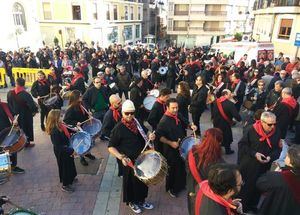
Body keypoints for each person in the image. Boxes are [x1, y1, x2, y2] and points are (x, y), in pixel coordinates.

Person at [108, 100, 155, 214]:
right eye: (127, 113)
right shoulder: (118, 128)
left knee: (143, 181)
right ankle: (132, 202)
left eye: (132, 113)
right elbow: (111, 147)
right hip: (129, 161)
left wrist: (150, 135)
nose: (130, 116)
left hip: (142, 158)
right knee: (131, 183)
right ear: (122, 113)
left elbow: (145, 131)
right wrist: (121, 157)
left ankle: (141, 200)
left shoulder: (137, 122)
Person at [238, 111, 281, 212]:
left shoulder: (276, 131)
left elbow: (277, 149)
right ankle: (242, 207)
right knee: (247, 187)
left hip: (264, 165)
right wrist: (255, 154)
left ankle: (253, 205)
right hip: (249, 165)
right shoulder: (250, 130)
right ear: (262, 122)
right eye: (270, 124)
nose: (272, 127)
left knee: (259, 186)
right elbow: (242, 145)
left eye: (274, 124)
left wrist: (271, 157)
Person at [156, 98, 197, 197]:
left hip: (181, 147)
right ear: (167, 108)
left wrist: (191, 126)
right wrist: (170, 143)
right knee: (173, 170)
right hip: (170, 150)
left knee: (182, 167)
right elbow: (159, 137)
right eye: (173, 108)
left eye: (176, 107)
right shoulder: (163, 121)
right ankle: (172, 189)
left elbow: (185, 121)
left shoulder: (177, 114)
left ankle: (181, 184)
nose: (175, 110)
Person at [186, 128, 224, 215]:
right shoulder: (219, 162)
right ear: (217, 143)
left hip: (192, 189)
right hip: (207, 194)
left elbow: (188, 171)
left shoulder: (192, 152)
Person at [256, 145, 300, 215]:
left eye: (287, 156)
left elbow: (260, 183)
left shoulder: (279, 177)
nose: (285, 157)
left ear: (291, 161)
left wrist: (276, 172)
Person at [46, 109, 77, 193]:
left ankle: (71, 177)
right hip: (62, 151)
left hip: (67, 148)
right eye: (60, 116)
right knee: (65, 167)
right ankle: (65, 185)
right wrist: (71, 151)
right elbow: (59, 146)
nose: (62, 117)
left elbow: (69, 129)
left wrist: (76, 127)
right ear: (55, 118)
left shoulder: (61, 125)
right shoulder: (55, 131)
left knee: (70, 163)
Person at [63, 90, 96, 166]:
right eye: (80, 96)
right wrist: (75, 123)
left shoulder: (81, 104)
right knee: (81, 144)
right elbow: (66, 120)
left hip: (84, 127)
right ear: (75, 98)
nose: (82, 97)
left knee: (87, 142)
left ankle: (87, 153)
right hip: (78, 129)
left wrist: (88, 115)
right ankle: (82, 158)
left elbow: (83, 115)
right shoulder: (71, 109)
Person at [7, 77, 38, 147]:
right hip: (25, 115)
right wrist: (34, 111)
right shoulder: (26, 94)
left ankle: (18, 143)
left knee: (17, 129)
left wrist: (13, 115)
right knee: (26, 128)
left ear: (16, 83)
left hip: (15, 115)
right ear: (23, 84)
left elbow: (9, 104)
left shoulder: (10, 93)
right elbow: (32, 106)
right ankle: (26, 143)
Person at [212, 89, 241, 154]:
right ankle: (228, 150)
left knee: (217, 136)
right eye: (230, 94)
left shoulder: (216, 101)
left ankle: (216, 149)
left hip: (216, 122)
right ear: (225, 95)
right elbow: (236, 115)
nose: (231, 95)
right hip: (225, 123)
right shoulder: (230, 104)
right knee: (226, 137)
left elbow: (213, 111)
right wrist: (239, 119)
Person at [0, 99, 24, 176]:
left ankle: (13, 167)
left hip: (7, 130)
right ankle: (3, 170)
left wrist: (14, 119)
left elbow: (13, 114)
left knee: (12, 149)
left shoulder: (3, 104)